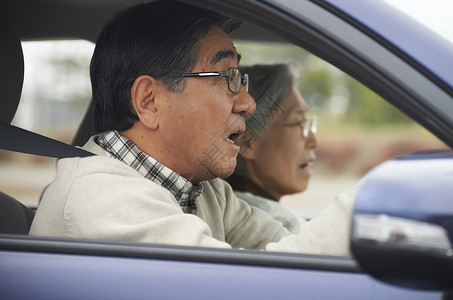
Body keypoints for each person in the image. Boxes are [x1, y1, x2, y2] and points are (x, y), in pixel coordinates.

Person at [29, 0, 358, 256]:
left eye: (239, 77)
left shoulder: (205, 190)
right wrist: (365, 204)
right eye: (227, 77)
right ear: (150, 102)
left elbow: (289, 252)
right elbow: (256, 288)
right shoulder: (103, 200)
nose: (248, 103)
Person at [227, 64, 317, 233]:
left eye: (309, 124)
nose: (314, 141)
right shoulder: (282, 225)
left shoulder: (225, 208)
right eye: (298, 123)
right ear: (246, 143)